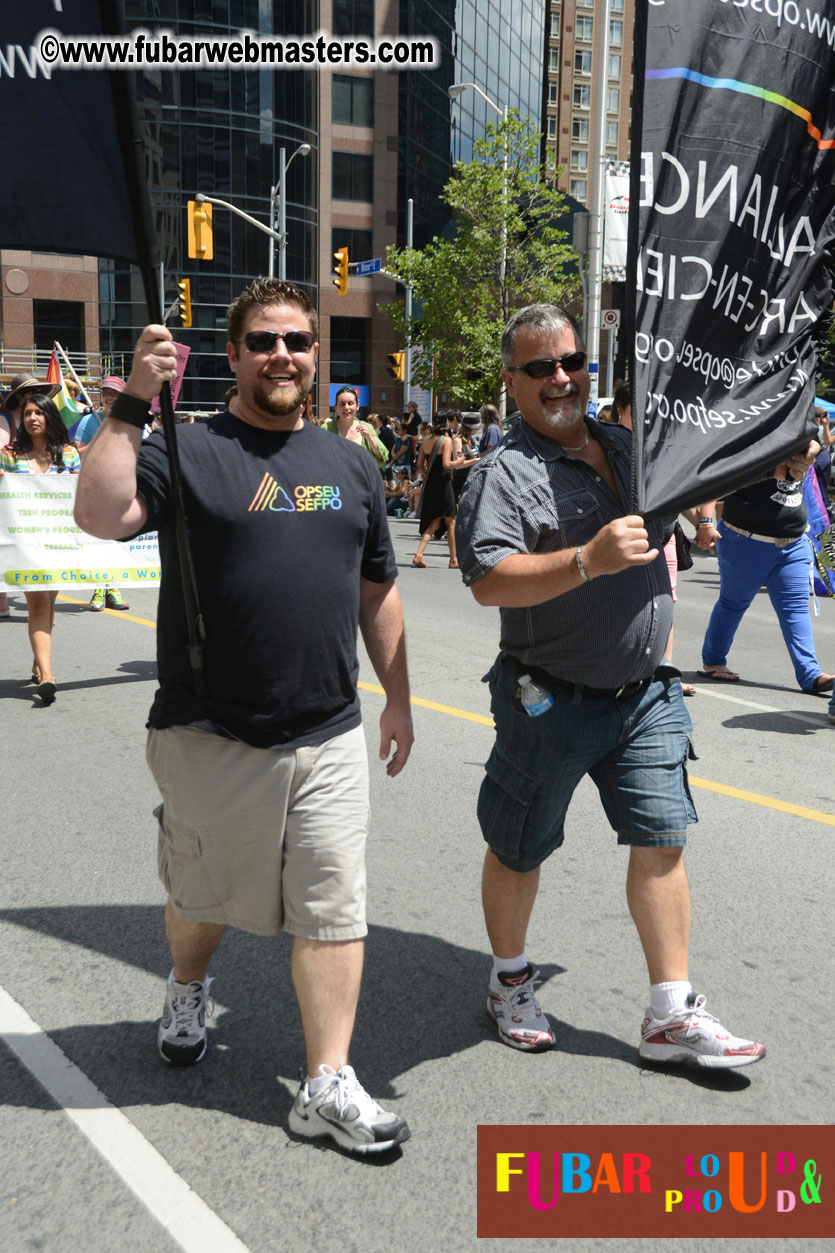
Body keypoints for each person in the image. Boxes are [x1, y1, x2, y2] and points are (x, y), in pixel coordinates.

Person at [73, 278, 413, 1155]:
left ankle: (325, 1080)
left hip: (327, 727)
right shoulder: (187, 447)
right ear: (231, 355)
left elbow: (377, 589)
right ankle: (188, 982)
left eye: (296, 341)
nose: (281, 356)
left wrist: (399, 698)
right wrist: (134, 397)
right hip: (211, 730)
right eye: (262, 341)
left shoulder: (350, 464)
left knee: (334, 902)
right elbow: (101, 513)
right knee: (204, 897)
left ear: (316, 354)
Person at [456, 303, 766, 1069]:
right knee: (518, 847)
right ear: (510, 381)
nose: (560, 378)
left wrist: (707, 496)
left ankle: (670, 1012)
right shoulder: (503, 472)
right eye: (540, 367)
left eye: (572, 361)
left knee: (662, 838)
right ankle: (509, 981)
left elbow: (691, 488)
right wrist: (584, 560)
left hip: (646, 694)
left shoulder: (629, 447)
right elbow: (488, 579)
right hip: (547, 699)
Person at [696, 433, 834, 693]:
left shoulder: (797, 424)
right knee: (733, 603)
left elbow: (815, 441)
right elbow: (715, 481)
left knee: (795, 609)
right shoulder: (749, 431)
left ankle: (810, 674)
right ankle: (714, 661)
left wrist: (812, 450)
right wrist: (705, 523)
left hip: (794, 543)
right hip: (745, 540)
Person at [0, 394, 80, 703]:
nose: (33, 418)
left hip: (58, 542)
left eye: (39, 413)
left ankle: (38, 660)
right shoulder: (9, 454)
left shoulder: (68, 453)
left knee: (49, 601)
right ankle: (47, 675)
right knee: (37, 604)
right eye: (28, 414)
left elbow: (79, 492)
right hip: (24, 543)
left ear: (50, 417)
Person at [0, 375, 61, 620]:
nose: (33, 417)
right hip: (20, 513)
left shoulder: (61, 444)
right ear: (18, 399)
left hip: (52, 524)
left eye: (38, 391)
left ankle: (45, 623)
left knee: (49, 594)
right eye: (27, 393)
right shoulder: (6, 421)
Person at [74, 375, 131, 613]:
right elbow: (78, 453)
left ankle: (113, 588)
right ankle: (100, 587)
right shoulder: (90, 421)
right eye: (106, 392)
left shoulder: (131, 421)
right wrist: (102, 436)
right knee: (97, 541)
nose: (109, 397)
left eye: (114, 393)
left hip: (122, 489)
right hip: (95, 488)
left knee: (116, 542)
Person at [411, 412, 464, 569]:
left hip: (431, 484)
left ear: (433, 423)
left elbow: (419, 464)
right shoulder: (446, 440)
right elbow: (446, 464)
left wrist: (427, 473)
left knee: (435, 522)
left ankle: (419, 555)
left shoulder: (426, 440)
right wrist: (460, 460)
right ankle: (453, 560)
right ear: (446, 423)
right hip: (444, 484)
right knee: (451, 521)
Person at [324, 387, 389, 468]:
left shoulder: (367, 427)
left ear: (357, 406)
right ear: (336, 407)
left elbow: (382, 456)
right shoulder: (326, 428)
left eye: (350, 403)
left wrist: (369, 437)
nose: (346, 407)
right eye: (342, 404)